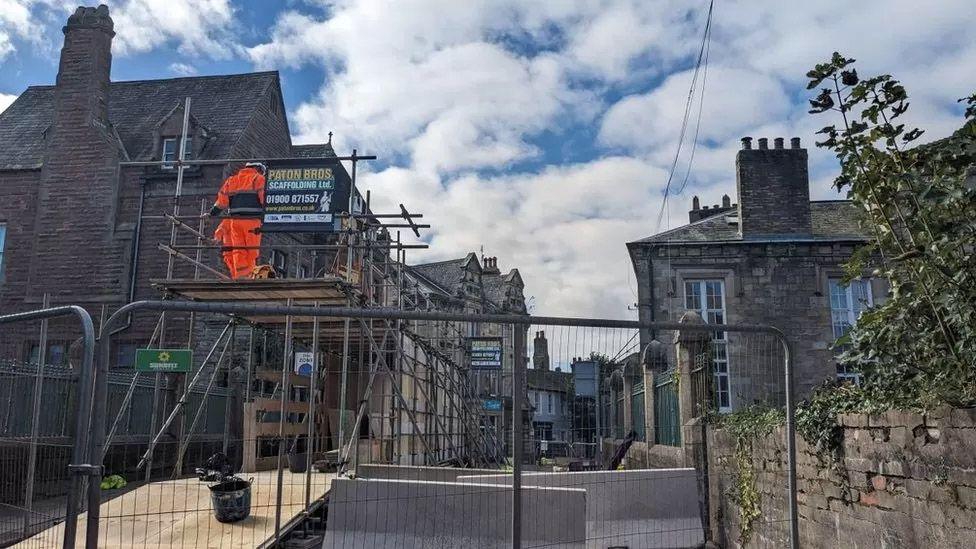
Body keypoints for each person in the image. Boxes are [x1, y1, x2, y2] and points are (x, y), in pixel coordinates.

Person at [210, 162, 267, 279]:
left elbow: (221, 202)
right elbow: (264, 200)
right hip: (251, 221)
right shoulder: (258, 178)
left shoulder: (232, 180)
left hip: (234, 221)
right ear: (257, 168)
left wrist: (212, 213)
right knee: (251, 251)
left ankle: (240, 277)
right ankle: (250, 277)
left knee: (238, 250)